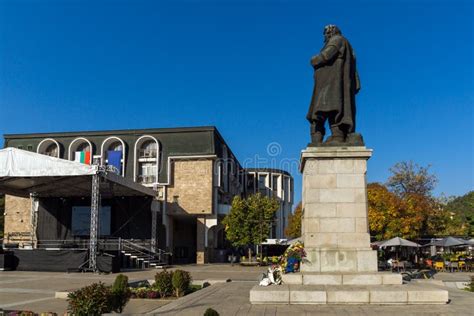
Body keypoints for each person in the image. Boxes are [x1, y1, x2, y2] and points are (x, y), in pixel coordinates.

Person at [307, 25, 363, 146]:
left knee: (332, 107)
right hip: (331, 82)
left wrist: (314, 59)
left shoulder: (337, 39)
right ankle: (336, 136)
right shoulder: (343, 42)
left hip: (333, 82)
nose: (325, 36)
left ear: (332, 32)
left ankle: (338, 136)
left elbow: (326, 55)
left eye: (327, 32)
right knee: (332, 108)